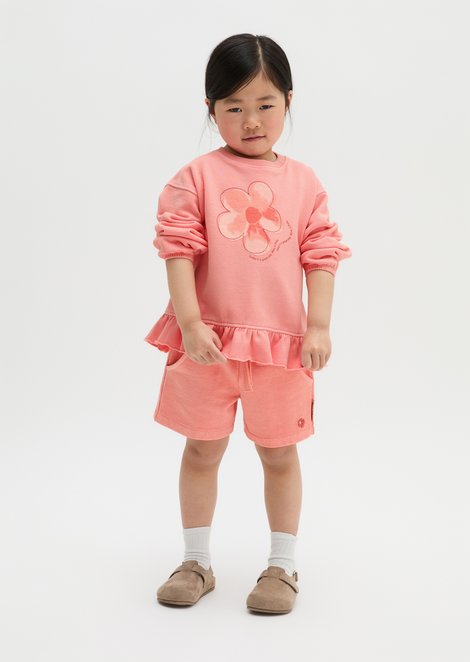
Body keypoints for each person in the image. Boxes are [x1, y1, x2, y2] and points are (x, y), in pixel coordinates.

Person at [144, 33, 352, 614]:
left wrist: (318, 326)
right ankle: (196, 562)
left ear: (289, 101)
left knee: (279, 455)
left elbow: (321, 254)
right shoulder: (195, 177)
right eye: (233, 107)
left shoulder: (305, 182)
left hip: (281, 351)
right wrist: (190, 322)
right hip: (207, 344)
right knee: (201, 450)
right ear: (210, 109)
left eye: (265, 104)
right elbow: (177, 250)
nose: (251, 120)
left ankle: (282, 567)